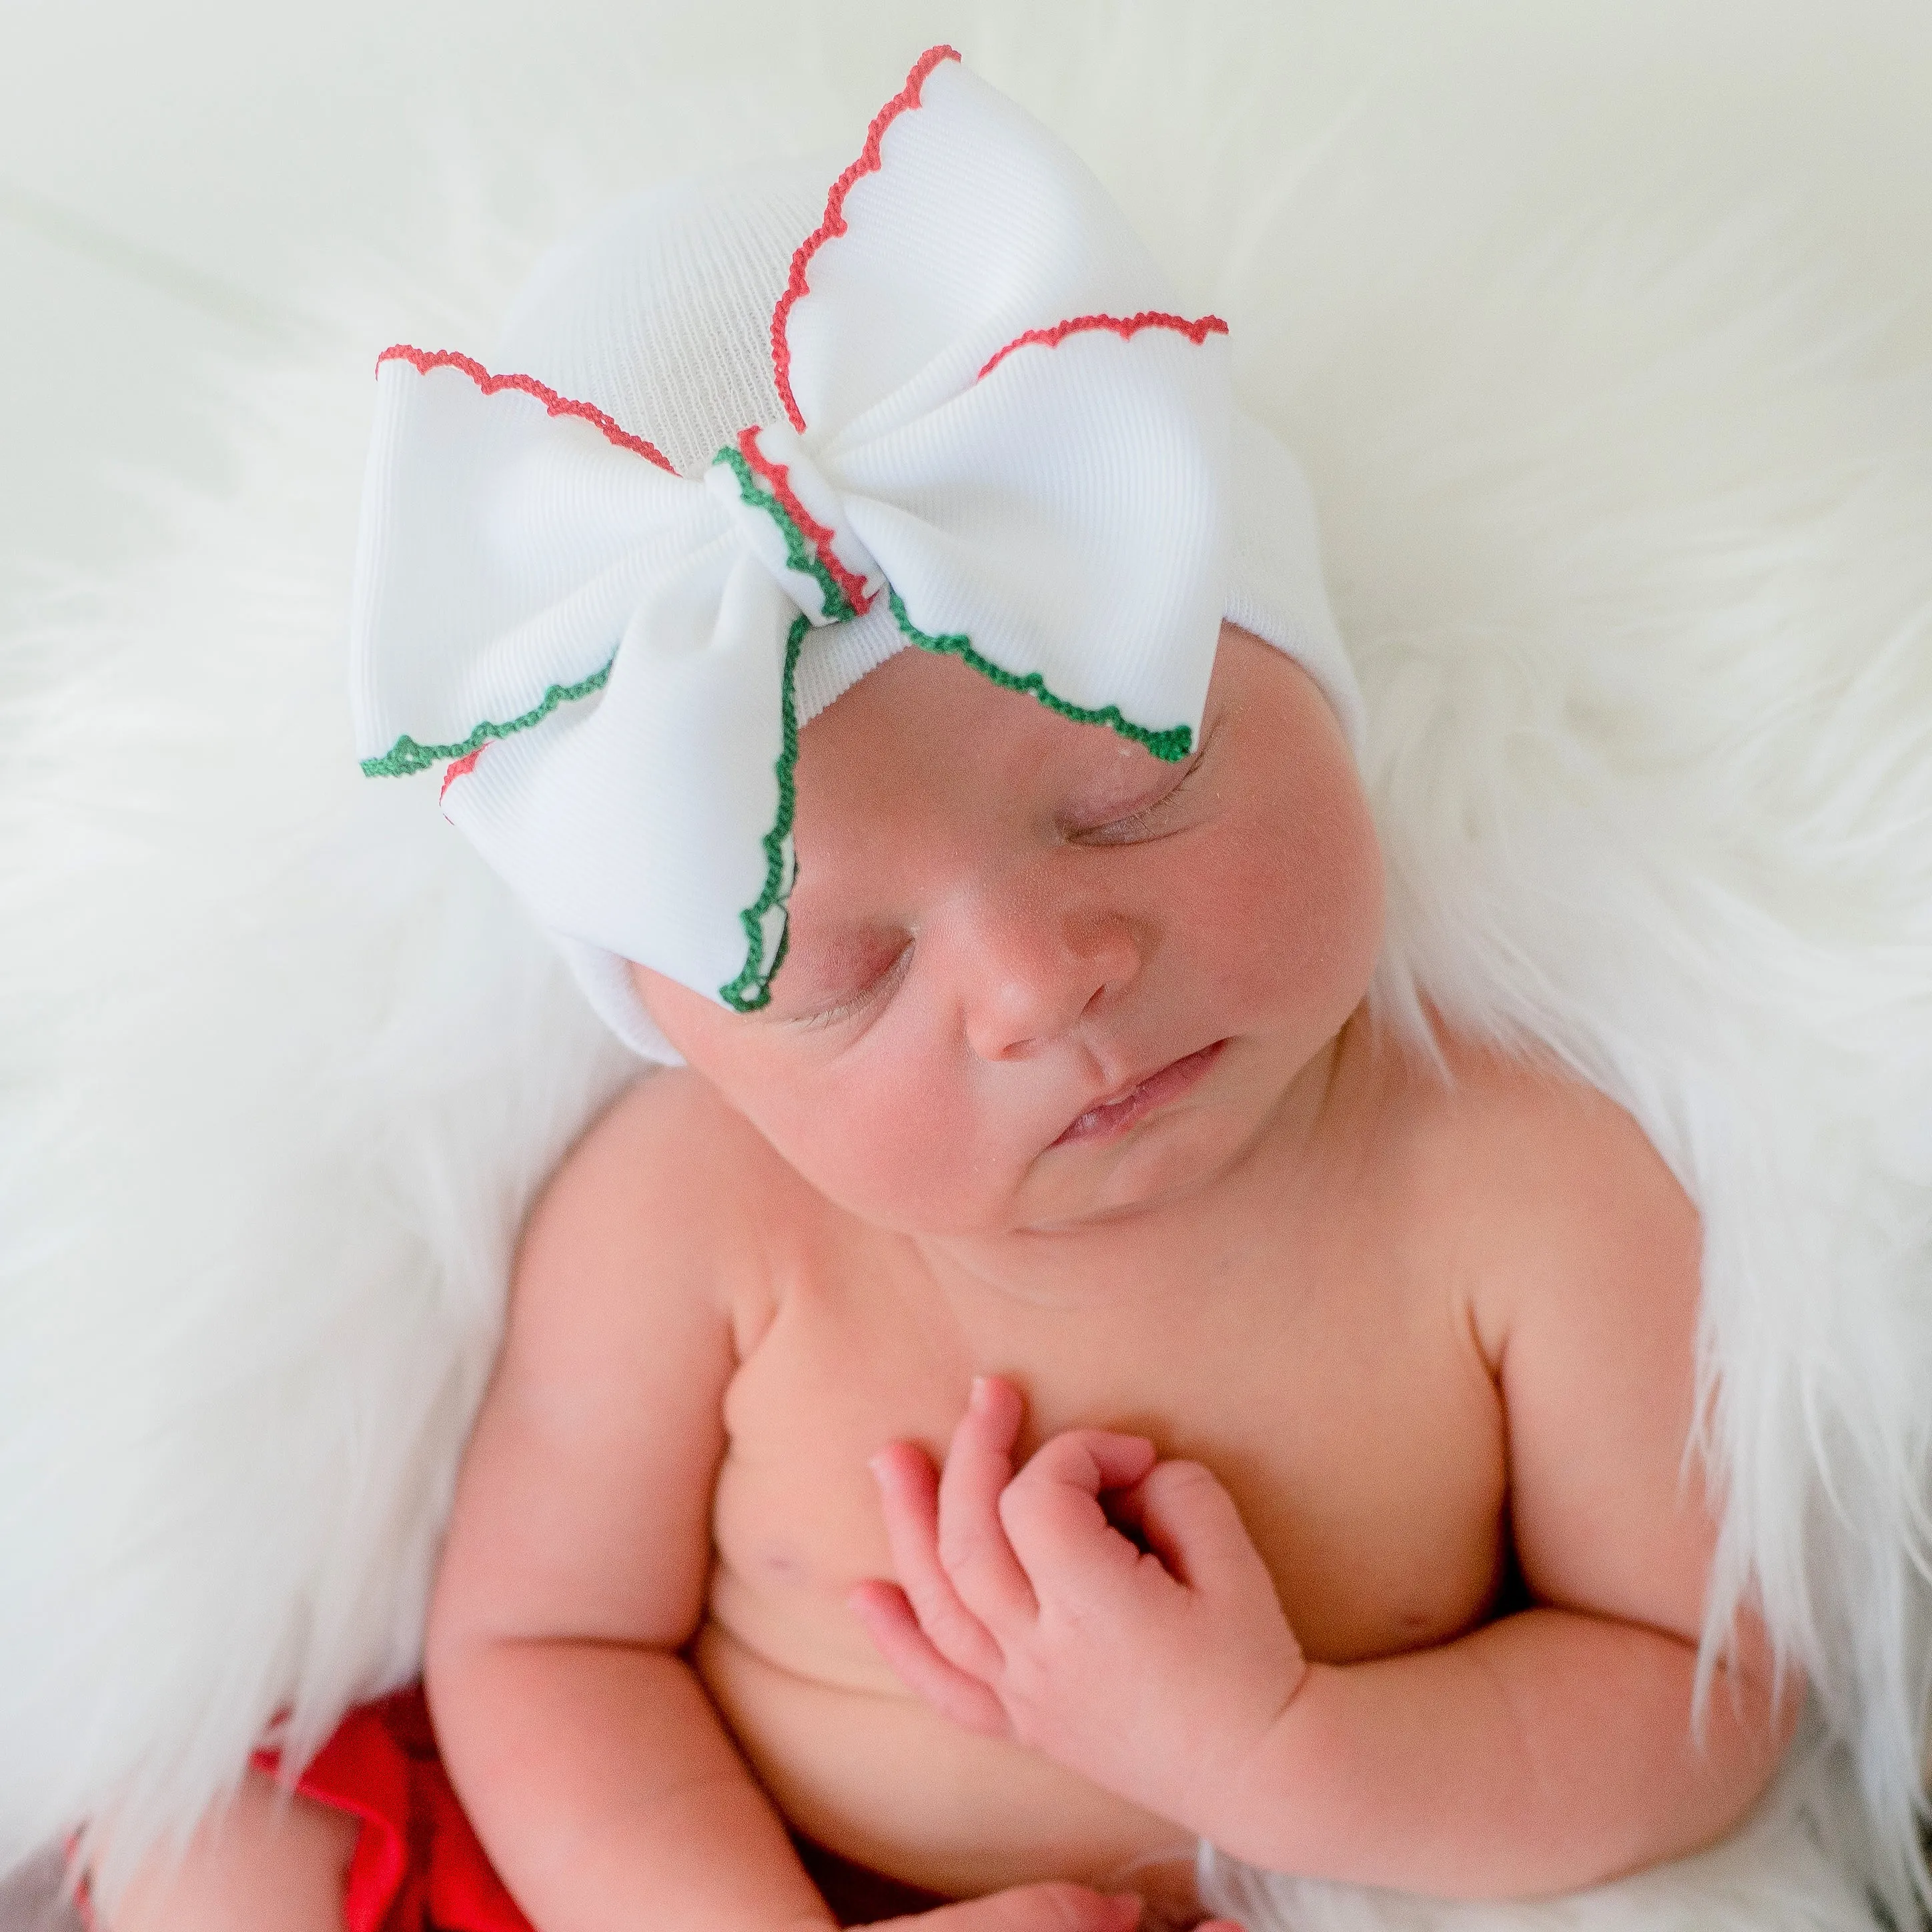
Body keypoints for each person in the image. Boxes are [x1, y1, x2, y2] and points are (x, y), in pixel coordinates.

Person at [101, 44, 1795, 1932]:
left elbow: (1691, 1691)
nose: (1038, 984)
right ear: (682, 1031)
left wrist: (1277, 1756)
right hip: (684, 1887)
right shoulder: (691, 1216)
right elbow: (547, 1648)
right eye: (846, 969)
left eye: (1131, 795)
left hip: (1279, 1883)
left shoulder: (1527, 1190)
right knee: (208, 1852)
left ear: (1319, 685)